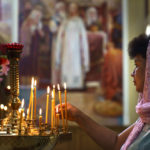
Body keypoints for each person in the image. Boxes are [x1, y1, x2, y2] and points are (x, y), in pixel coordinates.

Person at [57, 34, 150, 150]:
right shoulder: (145, 118)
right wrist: (78, 116)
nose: (132, 73)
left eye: (137, 65)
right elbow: (116, 143)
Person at [55, 3, 90, 89]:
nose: (72, 10)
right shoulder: (65, 22)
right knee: (66, 64)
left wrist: (84, 55)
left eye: (74, 8)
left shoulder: (79, 21)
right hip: (66, 47)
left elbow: (83, 38)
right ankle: (66, 84)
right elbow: (59, 37)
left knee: (76, 65)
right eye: (70, 8)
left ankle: (76, 84)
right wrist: (58, 54)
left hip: (76, 48)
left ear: (76, 10)